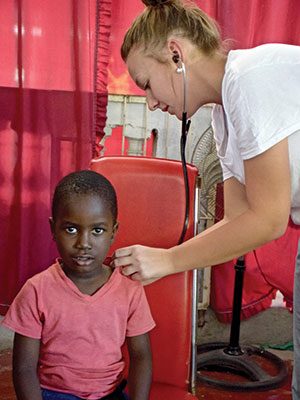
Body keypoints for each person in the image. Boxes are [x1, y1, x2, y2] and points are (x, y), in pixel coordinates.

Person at [112, 0, 300, 398]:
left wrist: (167, 261)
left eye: (146, 83)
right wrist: (163, 258)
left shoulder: (248, 80)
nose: (149, 101)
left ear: (176, 54)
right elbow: (238, 220)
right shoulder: (223, 116)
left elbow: (268, 220)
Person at [1, 170, 155, 400]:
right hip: (55, 394)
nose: (84, 243)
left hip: (111, 393)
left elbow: (141, 355)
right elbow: (23, 368)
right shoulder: (36, 290)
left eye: (97, 230)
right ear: (53, 229)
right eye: (71, 229)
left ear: (113, 232)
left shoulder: (129, 289)